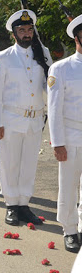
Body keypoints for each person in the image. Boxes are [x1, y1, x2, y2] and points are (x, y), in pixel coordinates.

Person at [0, 9, 50, 226]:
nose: (27, 33)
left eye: (29, 29)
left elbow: (49, 86)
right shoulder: (3, 57)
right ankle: (11, 205)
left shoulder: (42, 53)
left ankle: (24, 204)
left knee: (29, 164)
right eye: (22, 30)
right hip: (11, 120)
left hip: (35, 120)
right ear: (14, 34)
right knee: (10, 164)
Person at [48, 14, 82, 252]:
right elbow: (54, 109)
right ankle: (69, 229)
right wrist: (57, 142)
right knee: (69, 185)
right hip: (71, 135)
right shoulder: (61, 68)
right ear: (77, 37)